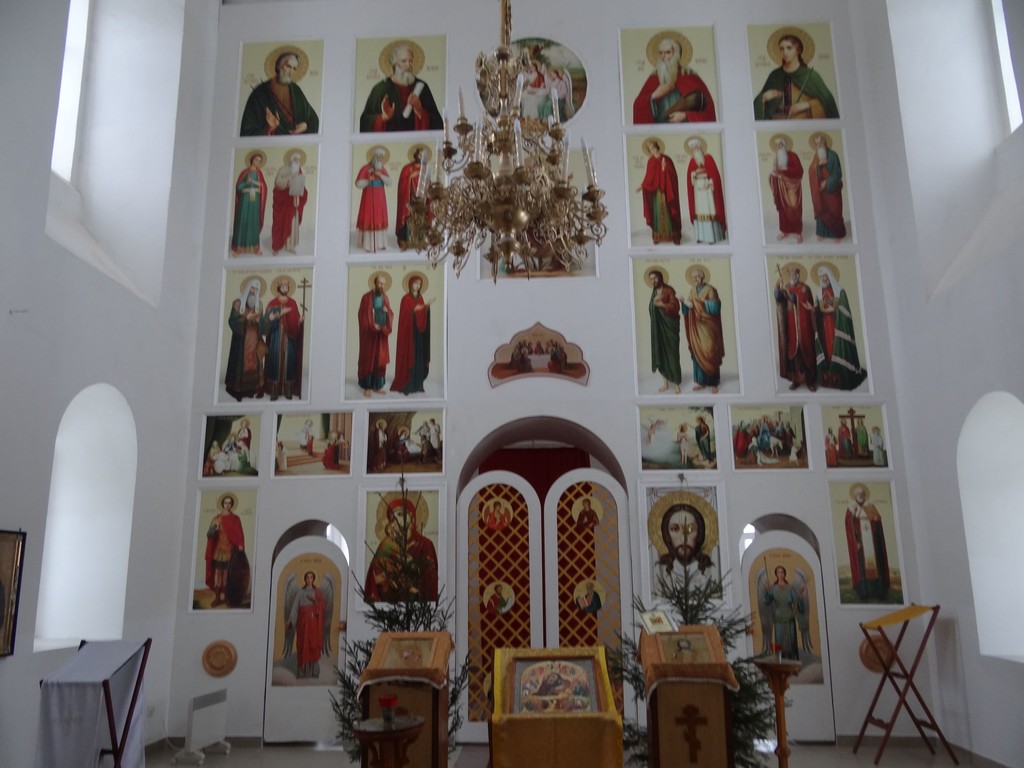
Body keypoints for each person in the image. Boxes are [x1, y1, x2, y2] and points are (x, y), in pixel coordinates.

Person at [364, 497, 439, 602]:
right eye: (392, 519)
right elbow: (373, 579)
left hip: (417, 605)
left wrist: (412, 565)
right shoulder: (387, 544)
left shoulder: (425, 544)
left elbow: (431, 579)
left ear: (412, 519)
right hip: (390, 604)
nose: (396, 520)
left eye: (400, 514)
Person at [753, 30, 839, 120]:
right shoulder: (775, 75)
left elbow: (828, 102)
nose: (785, 52)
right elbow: (758, 108)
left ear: (798, 50)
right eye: (781, 49)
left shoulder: (810, 75)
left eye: (789, 48)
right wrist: (764, 97)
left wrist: (806, 105)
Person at [359, 42, 443, 132]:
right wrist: (383, 117)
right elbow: (364, 122)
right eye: (404, 61)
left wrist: (420, 110)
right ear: (394, 64)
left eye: (411, 61)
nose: (409, 65)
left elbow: (438, 124)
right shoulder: (380, 89)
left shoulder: (422, 87)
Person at [633, 34, 716, 124]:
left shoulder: (689, 76)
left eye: (667, 52)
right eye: (660, 53)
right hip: (659, 129)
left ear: (676, 54)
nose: (663, 56)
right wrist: (654, 95)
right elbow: (638, 106)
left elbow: (708, 109)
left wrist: (685, 116)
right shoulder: (654, 77)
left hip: (684, 128)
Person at [240, 50, 320, 136]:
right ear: (278, 66)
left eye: (294, 68)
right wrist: (269, 129)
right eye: (288, 66)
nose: (291, 72)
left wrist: (306, 126)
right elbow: (247, 131)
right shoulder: (259, 93)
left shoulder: (296, 90)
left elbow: (313, 119)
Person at [813, 264, 866, 390]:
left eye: (825, 276)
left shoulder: (839, 291)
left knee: (835, 347)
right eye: (821, 277)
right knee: (827, 348)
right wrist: (813, 310)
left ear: (830, 276)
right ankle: (828, 374)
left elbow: (844, 309)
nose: (824, 279)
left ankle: (839, 373)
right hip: (824, 327)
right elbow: (817, 309)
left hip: (836, 325)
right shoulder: (818, 293)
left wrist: (833, 309)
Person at [681, 265, 725, 393]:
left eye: (697, 276)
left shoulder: (710, 290)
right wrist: (683, 302)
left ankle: (713, 383)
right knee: (698, 352)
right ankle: (702, 382)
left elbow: (716, 306)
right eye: (694, 277)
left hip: (709, 326)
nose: (695, 279)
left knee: (710, 351)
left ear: (702, 277)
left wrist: (704, 302)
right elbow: (690, 306)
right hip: (696, 326)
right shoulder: (693, 290)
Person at [774, 264, 817, 391]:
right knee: (793, 353)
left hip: (804, 324)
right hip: (790, 324)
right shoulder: (786, 286)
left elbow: (797, 300)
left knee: (806, 351)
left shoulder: (805, 288)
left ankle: (809, 380)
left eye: (796, 274)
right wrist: (777, 286)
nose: (794, 276)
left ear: (799, 275)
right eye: (792, 274)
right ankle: (796, 379)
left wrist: (790, 294)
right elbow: (778, 297)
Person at [844, 484, 891, 600]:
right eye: (858, 494)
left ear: (865, 494)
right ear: (855, 495)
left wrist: (875, 519)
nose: (860, 495)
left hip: (872, 542)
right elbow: (849, 526)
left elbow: (877, 522)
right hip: (861, 544)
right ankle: (864, 593)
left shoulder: (870, 506)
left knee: (877, 566)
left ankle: (879, 592)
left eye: (862, 494)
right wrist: (856, 541)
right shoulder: (851, 508)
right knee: (862, 568)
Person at [654, 503, 717, 588]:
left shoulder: (711, 569)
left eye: (690, 529)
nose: (683, 538)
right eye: (675, 529)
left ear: (700, 533)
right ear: (667, 535)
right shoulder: (660, 570)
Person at [261, 275, 303, 401]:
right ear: (278, 287)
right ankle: (274, 391)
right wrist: (278, 314)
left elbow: (296, 318)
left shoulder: (292, 302)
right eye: (283, 286)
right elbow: (266, 320)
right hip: (276, 334)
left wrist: (300, 321)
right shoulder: (272, 303)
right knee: (274, 359)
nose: (285, 288)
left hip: (289, 336)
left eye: (286, 286)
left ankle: (288, 390)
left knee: (289, 360)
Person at [390, 273, 433, 394]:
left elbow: (422, 314)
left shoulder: (420, 298)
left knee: (419, 357)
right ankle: (408, 385)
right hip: (409, 334)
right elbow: (404, 317)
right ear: (410, 284)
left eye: (419, 283)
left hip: (419, 334)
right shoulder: (405, 299)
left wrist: (426, 308)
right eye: (415, 283)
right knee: (410, 358)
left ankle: (418, 384)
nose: (417, 285)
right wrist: (415, 311)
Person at [224, 278, 265, 401]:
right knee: (240, 365)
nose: (254, 291)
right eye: (252, 288)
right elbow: (232, 321)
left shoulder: (259, 305)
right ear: (248, 288)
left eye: (256, 289)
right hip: (241, 341)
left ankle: (250, 390)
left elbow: (262, 324)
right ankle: (238, 393)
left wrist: (260, 321)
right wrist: (246, 319)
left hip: (254, 341)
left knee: (253, 365)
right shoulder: (238, 303)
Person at [204, 493, 246, 608]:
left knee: (227, 575)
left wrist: (240, 544)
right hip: (218, 551)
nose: (227, 505)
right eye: (226, 503)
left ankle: (227, 597)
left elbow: (239, 535)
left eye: (229, 503)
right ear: (222, 504)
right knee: (218, 575)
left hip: (230, 551)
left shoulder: (235, 519)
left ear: (232, 505)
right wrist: (214, 530)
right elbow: (209, 535)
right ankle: (217, 598)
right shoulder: (216, 519)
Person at [637, 138, 682, 245]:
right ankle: (658, 236)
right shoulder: (651, 161)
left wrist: (664, 169)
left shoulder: (667, 159)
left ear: (657, 147)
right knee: (657, 212)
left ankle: (673, 235)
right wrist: (643, 185)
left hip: (667, 191)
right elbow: (649, 177)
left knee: (668, 211)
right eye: (650, 149)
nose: (652, 150)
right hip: (656, 193)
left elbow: (673, 175)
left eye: (653, 148)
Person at [683, 137, 726, 244]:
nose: (695, 149)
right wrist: (695, 173)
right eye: (693, 148)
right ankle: (701, 236)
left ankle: (713, 237)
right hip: (698, 190)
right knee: (700, 212)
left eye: (696, 147)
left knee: (710, 210)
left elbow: (715, 174)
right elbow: (690, 177)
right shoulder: (692, 161)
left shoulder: (708, 158)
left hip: (708, 188)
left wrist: (710, 182)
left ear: (700, 147)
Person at [357, 272, 394, 396]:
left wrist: (387, 312)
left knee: (380, 359)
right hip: (369, 335)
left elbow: (390, 313)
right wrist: (373, 325)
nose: (381, 286)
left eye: (383, 284)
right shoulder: (366, 297)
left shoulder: (385, 297)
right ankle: (367, 387)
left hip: (381, 335)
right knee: (369, 359)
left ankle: (378, 386)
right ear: (375, 283)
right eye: (379, 283)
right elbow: (362, 315)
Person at [647, 268, 682, 394]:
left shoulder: (669, 290)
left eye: (655, 278)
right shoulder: (654, 292)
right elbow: (651, 307)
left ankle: (677, 384)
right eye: (651, 279)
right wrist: (654, 305)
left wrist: (661, 304)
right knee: (661, 353)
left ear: (660, 278)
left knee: (673, 354)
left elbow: (676, 307)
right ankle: (665, 383)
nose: (653, 281)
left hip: (670, 326)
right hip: (659, 328)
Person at [287, 571, 327, 678]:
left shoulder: (317, 592)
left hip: (314, 623)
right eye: (307, 577)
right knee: (302, 644)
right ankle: (302, 670)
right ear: (305, 579)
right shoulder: (300, 592)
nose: (309, 579)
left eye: (311, 577)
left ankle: (314, 671)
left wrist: (316, 601)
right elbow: (295, 607)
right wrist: (291, 621)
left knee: (312, 644)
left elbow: (323, 606)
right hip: (303, 623)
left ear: (313, 579)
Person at [808, 133, 846, 241]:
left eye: (820, 142)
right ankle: (821, 233)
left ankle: (837, 234)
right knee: (822, 210)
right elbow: (811, 170)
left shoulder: (833, 155)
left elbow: (838, 173)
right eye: (817, 143)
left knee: (835, 211)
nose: (819, 145)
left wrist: (827, 183)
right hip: (820, 190)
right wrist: (818, 165)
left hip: (832, 189)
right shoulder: (816, 156)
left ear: (825, 142)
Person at [762, 565, 804, 660]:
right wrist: (766, 592)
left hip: (789, 616)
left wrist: (800, 596)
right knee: (779, 639)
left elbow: (795, 600)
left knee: (791, 639)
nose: (780, 574)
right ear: (776, 574)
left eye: (782, 572)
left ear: (785, 574)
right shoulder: (773, 588)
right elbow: (767, 601)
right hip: (778, 617)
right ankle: (781, 660)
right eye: (778, 572)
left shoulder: (790, 588)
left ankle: (791, 660)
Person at [354, 146, 392, 253]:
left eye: (382, 157)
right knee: (369, 216)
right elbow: (358, 183)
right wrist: (368, 180)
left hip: (380, 197)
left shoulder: (382, 169)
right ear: (374, 157)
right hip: (369, 197)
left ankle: (380, 244)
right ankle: (368, 244)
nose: (380, 159)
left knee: (379, 217)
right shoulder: (365, 168)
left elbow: (389, 182)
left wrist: (381, 175)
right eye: (379, 157)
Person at [230, 150, 267, 255]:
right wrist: (246, 183)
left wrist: (258, 185)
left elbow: (264, 187)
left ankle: (255, 248)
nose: (257, 162)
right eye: (256, 160)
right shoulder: (245, 172)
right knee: (243, 219)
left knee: (253, 222)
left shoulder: (259, 173)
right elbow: (238, 187)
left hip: (255, 200)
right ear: (252, 160)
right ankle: (239, 248)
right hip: (245, 199)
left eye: (259, 161)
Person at [271, 151, 308, 255]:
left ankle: (290, 246)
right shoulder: (283, 170)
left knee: (292, 223)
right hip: (283, 201)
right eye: (295, 160)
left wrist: (301, 192)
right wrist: (289, 179)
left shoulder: (300, 171)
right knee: (280, 223)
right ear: (291, 160)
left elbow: (302, 185)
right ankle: (277, 246)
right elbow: (278, 182)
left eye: (299, 160)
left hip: (294, 201)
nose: (297, 162)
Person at [769, 134, 803, 243]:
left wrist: (786, 169)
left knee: (794, 208)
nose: (779, 147)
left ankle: (798, 232)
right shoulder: (777, 157)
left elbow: (799, 171)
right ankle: (785, 231)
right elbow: (776, 171)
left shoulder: (793, 156)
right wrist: (774, 175)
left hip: (792, 186)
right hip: (781, 186)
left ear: (784, 145)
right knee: (783, 210)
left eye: (780, 145)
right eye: (777, 146)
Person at [396, 145, 430, 250]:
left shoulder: (425, 169)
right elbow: (402, 184)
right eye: (419, 155)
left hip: (422, 199)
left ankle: (420, 240)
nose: (421, 157)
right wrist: (411, 176)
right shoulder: (407, 168)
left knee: (421, 218)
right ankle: (407, 240)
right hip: (410, 199)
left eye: (422, 156)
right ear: (415, 155)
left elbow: (428, 183)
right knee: (409, 217)